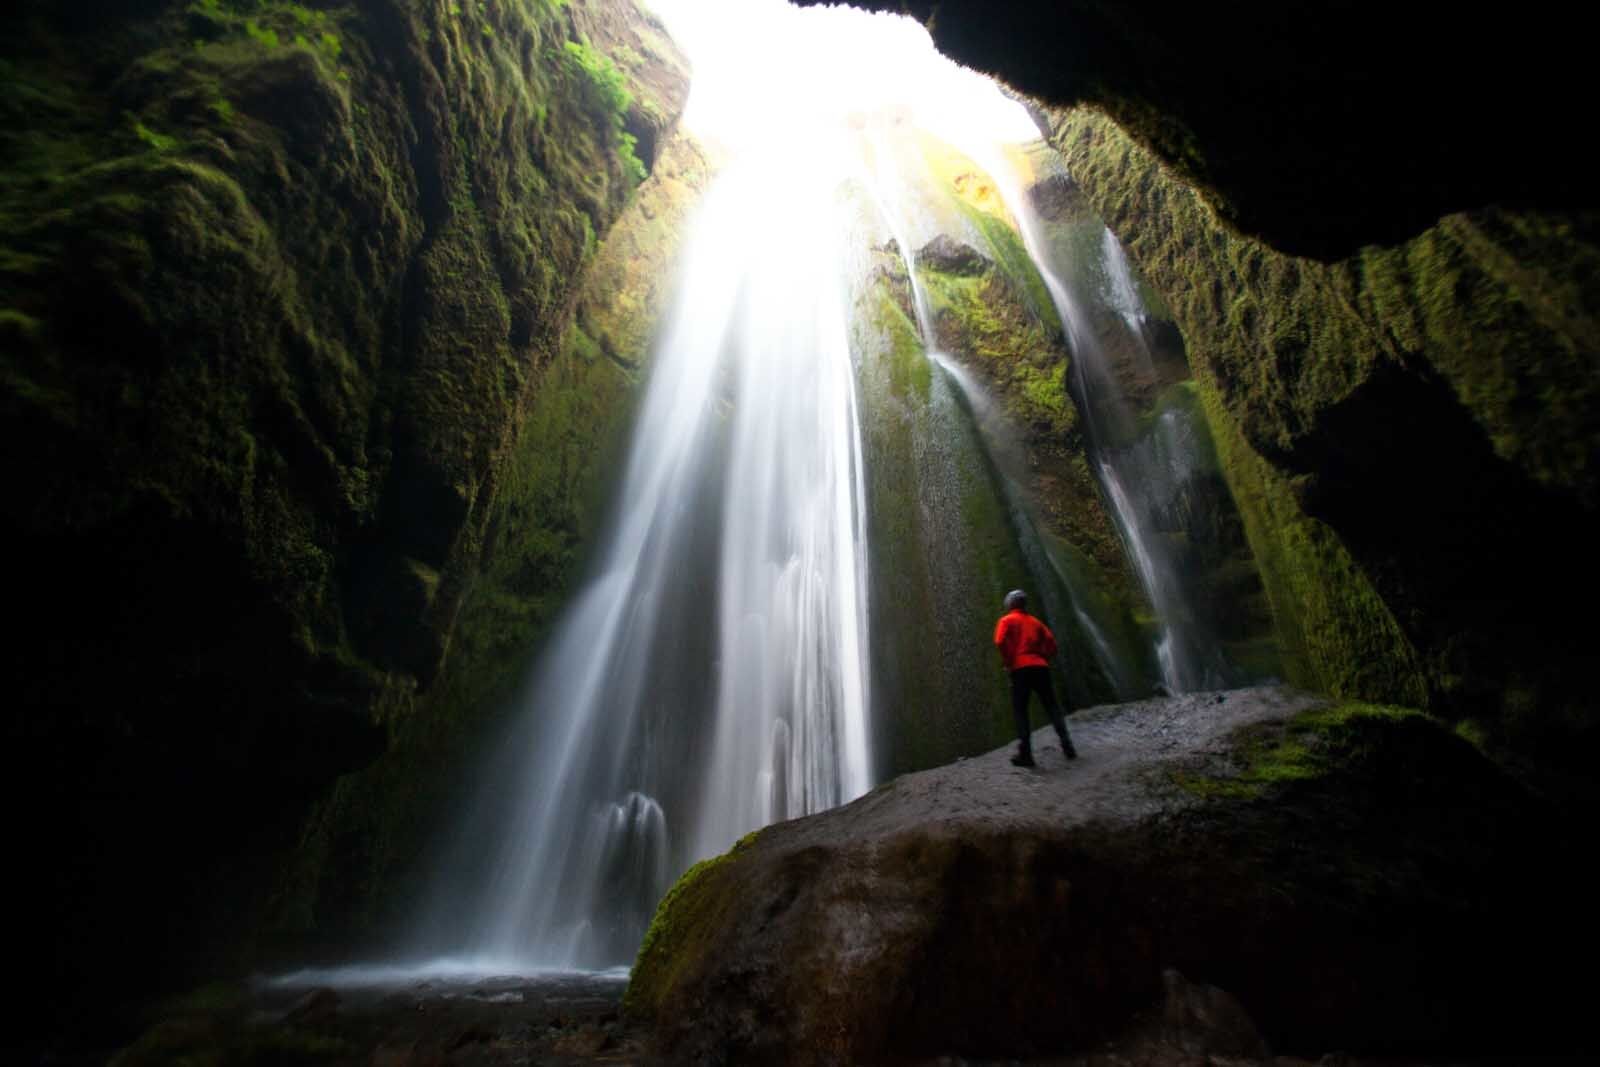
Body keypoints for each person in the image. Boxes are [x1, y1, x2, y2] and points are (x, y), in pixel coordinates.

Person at [994, 589, 1076, 767]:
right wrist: (1043, 656)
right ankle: (1068, 745)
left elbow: (1000, 641)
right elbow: (1052, 643)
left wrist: (1009, 660)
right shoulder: (1035, 622)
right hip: (1040, 668)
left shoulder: (1006, 620)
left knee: (1021, 711)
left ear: (1010, 604)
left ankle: (1026, 754)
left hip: (1020, 669)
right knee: (1051, 705)